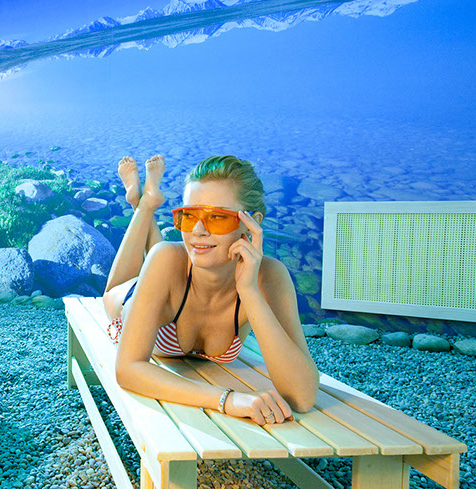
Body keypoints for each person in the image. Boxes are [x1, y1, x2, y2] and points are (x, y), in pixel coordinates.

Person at [104, 154, 318, 425]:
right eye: (188, 215)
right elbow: (128, 369)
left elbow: (302, 397)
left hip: (173, 278)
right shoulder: (166, 259)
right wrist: (228, 400)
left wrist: (249, 290)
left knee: (170, 258)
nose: (198, 230)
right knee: (137, 273)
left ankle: (145, 198)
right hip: (129, 298)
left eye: (217, 217)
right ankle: (144, 203)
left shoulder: (270, 277)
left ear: (252, 223)